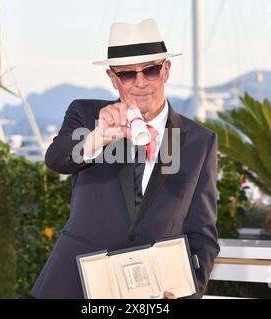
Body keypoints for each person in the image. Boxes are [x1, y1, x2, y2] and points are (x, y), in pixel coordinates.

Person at [32, 18, 220, 299]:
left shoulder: (200, 141)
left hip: (153, 295)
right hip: (74, 285)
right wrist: (98, 137)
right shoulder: (87, 115)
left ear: (166, 70)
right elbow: (56, 159)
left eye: (151, 70)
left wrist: (188, 293)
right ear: (113, 78)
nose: (140, 83)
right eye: (128, 74)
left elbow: (202, 235)